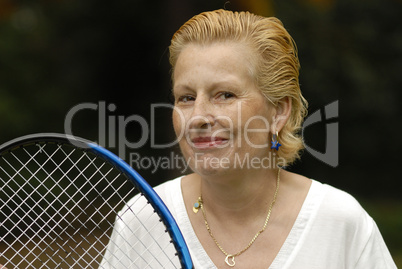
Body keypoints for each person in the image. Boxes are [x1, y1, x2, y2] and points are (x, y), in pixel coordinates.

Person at [101, 9, 397, 268]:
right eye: (186, 97)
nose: (199, 116)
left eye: (225, 95)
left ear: (278, 112)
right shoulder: (143, 219)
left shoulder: (340, 223)